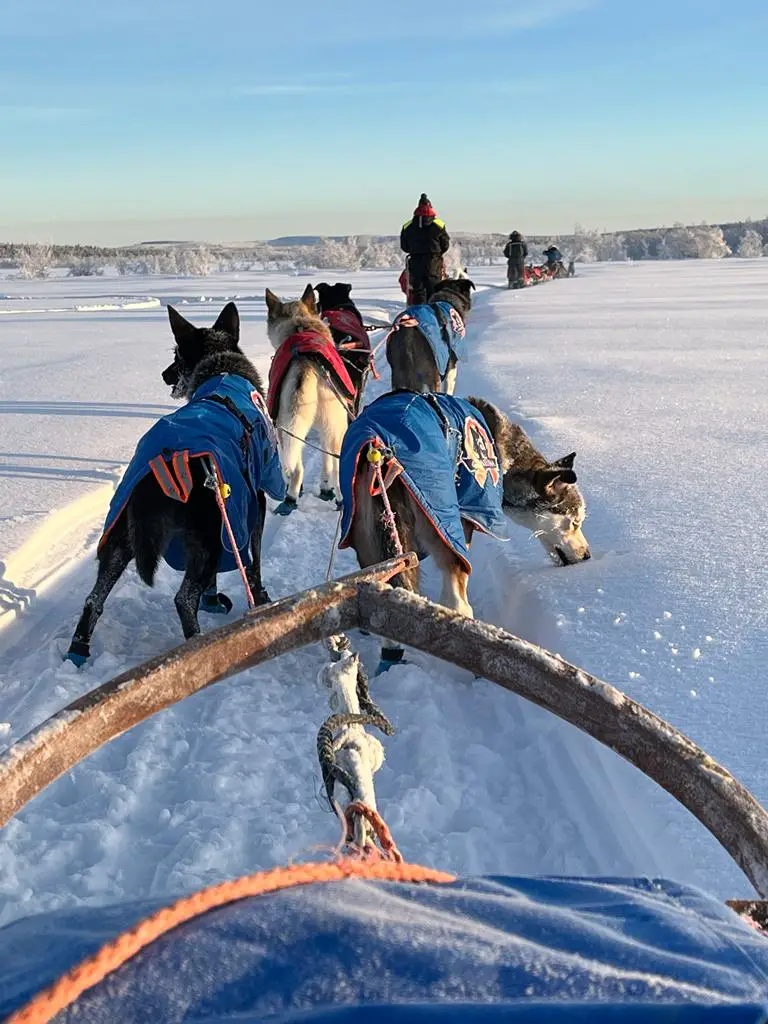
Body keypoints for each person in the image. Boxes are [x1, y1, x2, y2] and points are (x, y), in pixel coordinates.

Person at [400, 193, 450, 304]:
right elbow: (445, 244)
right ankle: (434, 312)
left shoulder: (408, 225)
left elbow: (404, 246)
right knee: (434, 288)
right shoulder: (439, 224)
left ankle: (419, 313)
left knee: (418, 289)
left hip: (415, 259)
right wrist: (438, 252)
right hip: (434, 260)